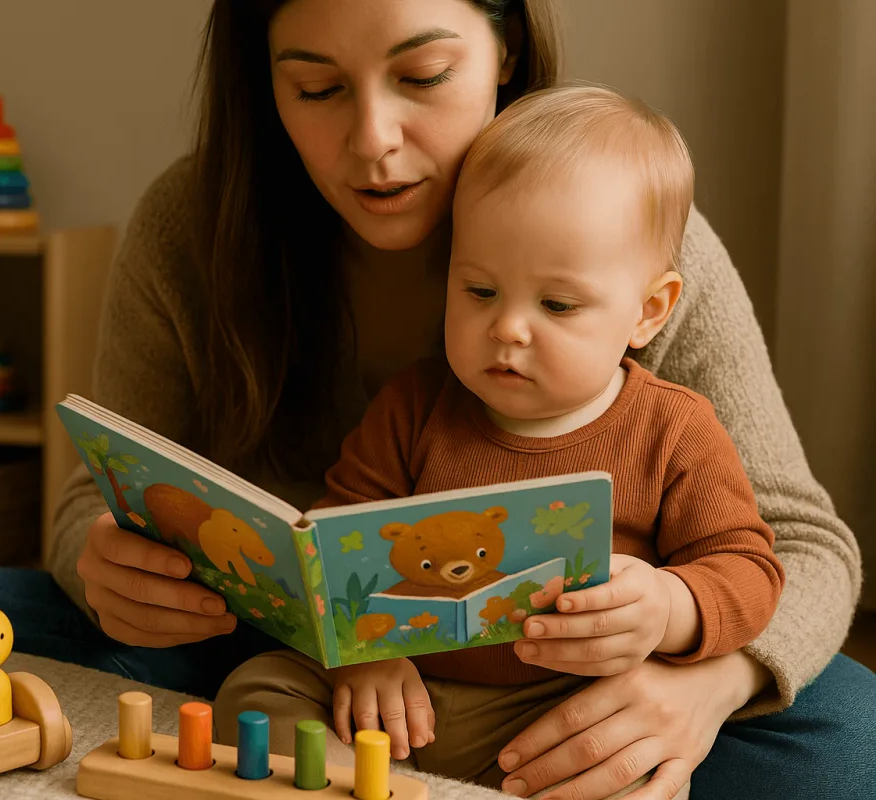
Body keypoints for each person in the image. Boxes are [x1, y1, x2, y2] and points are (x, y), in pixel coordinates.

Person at [0, 1, 876, 798]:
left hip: (568, 675)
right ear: (267, 87)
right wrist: (104, 572)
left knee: (847, 743)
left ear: (504, 50)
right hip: (289, 645)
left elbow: (800, 544)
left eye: (421, 78)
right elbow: (97, 497)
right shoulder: (194, 228)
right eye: (317, 88)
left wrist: (704, 685)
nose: (373, 140)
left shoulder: (620, 225)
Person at [212, 83, 787, 798]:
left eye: (556, 304)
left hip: (553, 710)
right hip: (394, 692)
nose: (507, 328)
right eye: (479, 291)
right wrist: (359, 655)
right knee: (254, 694)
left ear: (649, 311)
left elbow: (749, 566)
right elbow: (336, 540)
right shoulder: (415, 407)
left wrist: (671, 608)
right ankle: (352, 786)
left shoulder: (675, 429)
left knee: (638, 769)